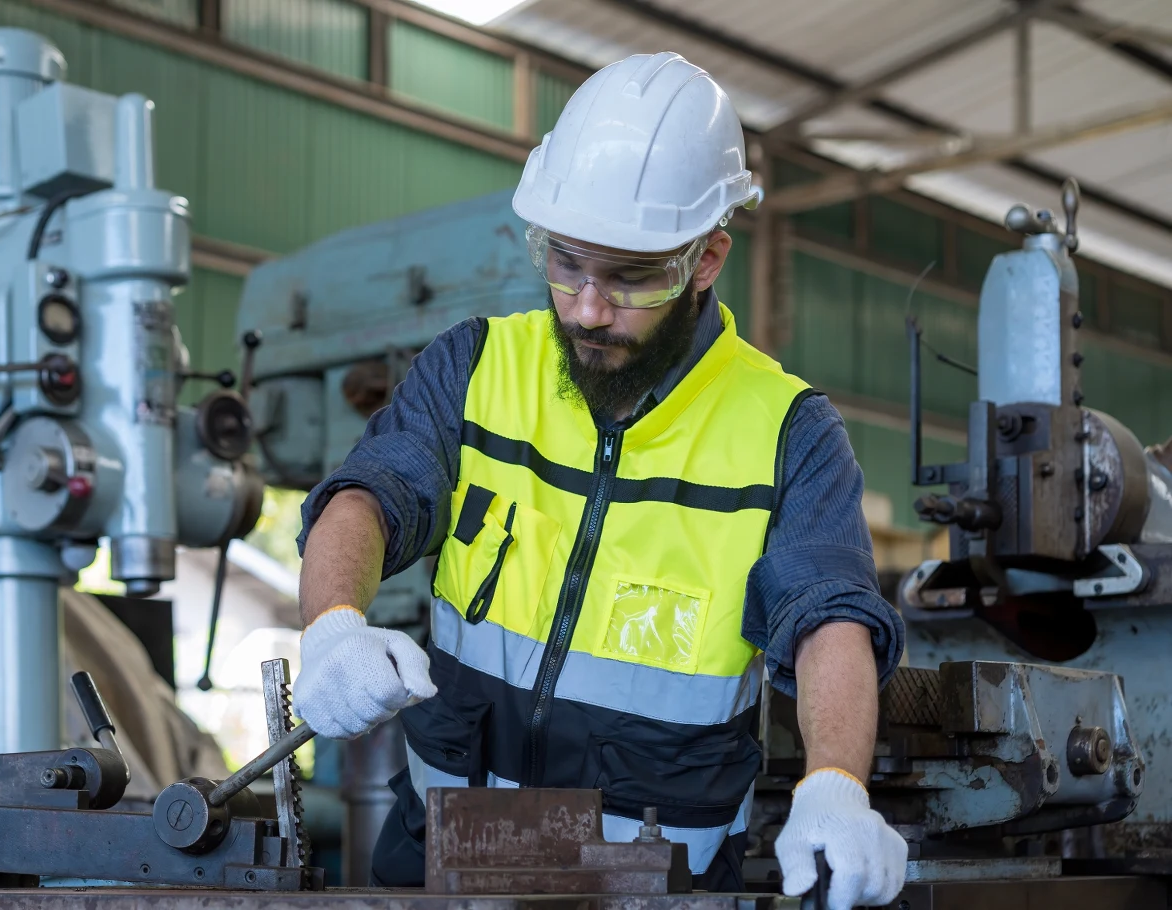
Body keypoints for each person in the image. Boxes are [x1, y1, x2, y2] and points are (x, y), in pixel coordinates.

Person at [290, 51, 908, 910]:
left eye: (631, 276)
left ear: (707, 259)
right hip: (444, 870)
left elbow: (829, 617)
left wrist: (836, 785)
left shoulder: (788, 432)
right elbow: (367, 496)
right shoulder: (477, 368)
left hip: (663, 890)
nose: (587, 306)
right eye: (567, 263)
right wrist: (331, 624)